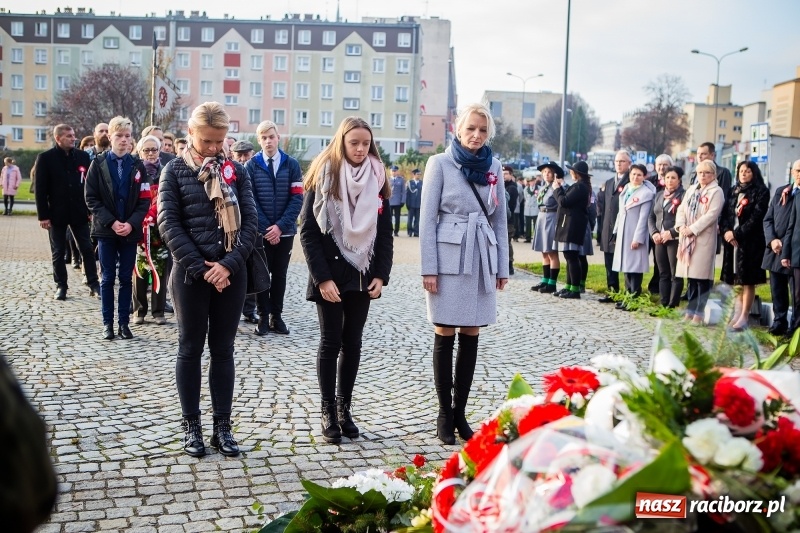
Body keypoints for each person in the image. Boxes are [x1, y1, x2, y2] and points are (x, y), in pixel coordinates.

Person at [158, 102, 258, 457]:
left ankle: (223, 427)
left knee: (223, 350)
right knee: (189, 349)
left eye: (220, 141)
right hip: (190, 275)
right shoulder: (173, 171)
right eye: (208, 141)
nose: (215, 148)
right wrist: (204, 269)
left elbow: (250, 224)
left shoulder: (237, 172)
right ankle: (192, 426)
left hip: (232, 274)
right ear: (191, 134)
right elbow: (168, 224)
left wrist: (227, 265)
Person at [299, 116, 393, 444]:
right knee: (330, 342)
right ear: (342, 142)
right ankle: (327, 410)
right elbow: (308, 232)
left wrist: (381, 274)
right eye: (354, 142)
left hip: (362, 275)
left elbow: (385, 234)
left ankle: (344, 409)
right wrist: (322, 278)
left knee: (353, 343)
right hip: (331, 275)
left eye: (365, 143)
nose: (360, 149)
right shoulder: (324, 174)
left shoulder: (378, 177)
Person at [420, 102, 509, 445]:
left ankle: (460, 412)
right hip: (449, 254)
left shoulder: (495, 167)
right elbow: (427, 219)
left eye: (483, 130)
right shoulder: (439, 163)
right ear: (458, 129)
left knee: (472, 330)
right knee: (444, 329)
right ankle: (444, 412)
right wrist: (429, 267)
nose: (476, 135)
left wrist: (502, 265)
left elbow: (499, 220)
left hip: (482, 253)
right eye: (471, 128)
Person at [84, 117, 151, 340]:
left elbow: (144, 200)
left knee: (125, 278)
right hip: (106, 230)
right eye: (119, 136)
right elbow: (91, 198)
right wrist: (112, 222)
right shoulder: (99, 163)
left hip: (129, 231)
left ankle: (124, 322)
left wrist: (131, 223)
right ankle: (107, 324)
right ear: (110, 137)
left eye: (128, 136)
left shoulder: (137, 165)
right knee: (107, 278)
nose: (124, 140)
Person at [245, 121, 303, 336]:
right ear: (259, 140)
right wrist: (267, 228)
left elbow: (297, 198)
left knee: (279, 275)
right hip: (261, 233)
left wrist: (279, 227)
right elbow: (249, 199)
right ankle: (263, 317)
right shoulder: (252, 165)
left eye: (271, 136)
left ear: (278, 137)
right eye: (263, 138)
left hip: (285, 232)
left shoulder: (292, 164)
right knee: (261, 275)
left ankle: (276, 317)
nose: (268, 141)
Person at [34, 124, 101, 301]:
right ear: (58, 138)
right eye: (69, 136)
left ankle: (93, 283)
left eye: (73, 135)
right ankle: (61, 285)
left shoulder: (82, 157)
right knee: (58, 251)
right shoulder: (45, 158)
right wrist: (43, 215)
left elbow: (89, 185)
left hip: (79, 211)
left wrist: (90, 209)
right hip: (56, 212)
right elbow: (41, 190)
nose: (73, 138)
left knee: (86, 248)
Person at [720, 161, 770, 332]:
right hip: (731, 242)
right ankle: (736, 312)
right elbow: (725, 214)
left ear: (754, 173)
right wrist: (727, 231)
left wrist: (737, 233)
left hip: (750, 242)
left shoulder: (761, 192)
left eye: (747, 171)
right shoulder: (732, 191)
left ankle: (744, 316)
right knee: (736, 280)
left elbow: (757, 217)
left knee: (748, 280)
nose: (744, 173)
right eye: (741, 171)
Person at [676, 160, 725, 325]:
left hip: (703, 238)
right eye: (700, 173)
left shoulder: (716, 191)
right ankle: (690, 311)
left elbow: (711, 215)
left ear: (713, 175)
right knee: (691, 278)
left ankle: (699, 313)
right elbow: (682, 209)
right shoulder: (692, 189)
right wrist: (681, 226)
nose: (703, 176)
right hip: (687, 239)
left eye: (707, 173)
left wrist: (693, 228)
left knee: (701, 278)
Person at [132, 135, 169, 326]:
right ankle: (139, 310)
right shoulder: (136, 172)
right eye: (146, 150)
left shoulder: (166, 171)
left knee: (161, 269)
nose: (151, 154)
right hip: (140, 225)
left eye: (154, 149)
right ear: (140, 152)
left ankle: (158, 311)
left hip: (162, 226)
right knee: (140, 269)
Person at [763, 160, 800, 335]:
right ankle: (779, 321)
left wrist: (784, 242)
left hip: (793, 249)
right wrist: (772, 240)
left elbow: (795, 224)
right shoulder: (781, 192)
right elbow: (768, 219)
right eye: (798, 170)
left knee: (796, 292)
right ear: (792, 172)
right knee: (777, 288)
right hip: (775, 248)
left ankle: (795, 327)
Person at [612, 163, 656, 310]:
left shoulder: (646, 194)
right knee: (626, 267)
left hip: (635, 234)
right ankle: (627, 296)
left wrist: (638, 238)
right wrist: (616, 231)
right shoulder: (626, 189)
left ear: (644, 177)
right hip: (624, 233)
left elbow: (644, 218)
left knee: (635, 269)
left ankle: (634, 299)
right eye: (633, 174)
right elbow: (620, 212)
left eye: (639, 175)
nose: (635, 177)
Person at [552, 161, 592, 299]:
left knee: (572, 257)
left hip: (573, 225)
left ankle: (575, 289)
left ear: (577, 173)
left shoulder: (580, 187)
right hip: (569, 224)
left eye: (572, 171)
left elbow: (564, 201)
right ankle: (569, 286)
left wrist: (556, 189)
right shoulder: (579, 186)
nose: (570, 173)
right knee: (569, 257)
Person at [230, 140, 259, 324]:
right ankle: (232, 309)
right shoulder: (228, 170)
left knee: (251, 270)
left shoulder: (255, 170)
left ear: (252, 154)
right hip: (230, 229)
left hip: (251, 227)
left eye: (245, 154)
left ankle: (249, 309)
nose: (242, 158)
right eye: (238, 155)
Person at [649, 166, 686, 308]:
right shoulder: (659, 195)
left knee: (675, 273)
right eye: (667, 178)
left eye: (673, 178)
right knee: (663, 273)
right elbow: (651, 216)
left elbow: (685, 218)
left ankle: (673, 304)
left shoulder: (683, 195)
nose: (670, 181)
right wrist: (654, 233)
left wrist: (671, 232)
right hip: (659, 239)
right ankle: (664, 303)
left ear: (679, 180)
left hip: (674, 239)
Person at [598, 150, 631, 303]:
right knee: (609, 262)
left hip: (623, 227)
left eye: (622, 161)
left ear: (629, 164)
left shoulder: (631, 182)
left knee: (624, 262)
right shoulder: (609, 182)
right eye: (617, 161)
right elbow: (604, 206)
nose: (619, 164)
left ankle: (627, 293)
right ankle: (612, 291)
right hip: (608, 227)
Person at [530, 162, 563, 293]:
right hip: (542, 217)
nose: (546, 174)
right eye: (544, 172)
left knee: (551, 252)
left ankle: (552, 283)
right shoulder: (543, 187)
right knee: (544, 252)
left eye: (549, 172)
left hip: (551, 218)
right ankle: (545, 280)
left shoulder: (556, 187)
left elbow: (561, 202)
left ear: (554, 174)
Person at [645, 154, 672, 293]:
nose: (661, 168)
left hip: (663, 226)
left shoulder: (673, 181)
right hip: (649, 224)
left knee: (659, 259)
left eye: (665, 165)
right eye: (659, 165)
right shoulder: (649, 181)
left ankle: (656, 285)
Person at [503, 165, 518, 274]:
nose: (504, 175)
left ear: (511, 175)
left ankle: (509, 265)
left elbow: (510, 206)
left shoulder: (512, 188)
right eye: (502, 173)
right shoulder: (502, 186)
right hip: (502, 220)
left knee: (506, 243)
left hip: (509, 220)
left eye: (506, 173)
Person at [388, 166, 406, 237]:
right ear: (390, 171)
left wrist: (403, 201)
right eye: (392, 171)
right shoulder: (387, 179)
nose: (394, 172)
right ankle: (389, 231)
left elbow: (403, 191)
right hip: (389, 201)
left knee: (397, 217)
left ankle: (396, 231)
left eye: (395, 171)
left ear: (397, 172)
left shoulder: (401, 180)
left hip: (398, 202)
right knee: (389, 218)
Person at [522, 175, 539, 242]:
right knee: (528, 224)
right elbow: (525, 197)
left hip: (535, 208)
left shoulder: (539, 188)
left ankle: (536, 238)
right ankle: (528, 237)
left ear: (535, 181)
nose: (532, 182)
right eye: (530, 181)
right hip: (528, 208)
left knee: (535, 224)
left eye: (533, 181)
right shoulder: (526, 189)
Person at [405, 168, 422, 237]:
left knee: (417, 219)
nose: (419, 176)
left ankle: (416, 232)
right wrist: (407, 203)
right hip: (411, 204)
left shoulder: (422, 183)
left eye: (420, 174)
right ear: (414, 175)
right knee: (410, 219)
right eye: (417, 174)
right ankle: (409, 232)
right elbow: (407, 194)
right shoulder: (410, 183)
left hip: (418, 204)